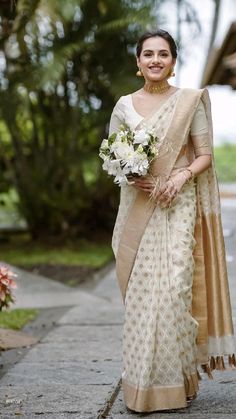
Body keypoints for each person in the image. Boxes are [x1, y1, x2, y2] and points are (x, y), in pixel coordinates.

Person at [108, 29, 236, 413]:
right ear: (138, 63)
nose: (155, 60)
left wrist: (179, 177)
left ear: (174, 61)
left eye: (163, 54)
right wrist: (133, 175)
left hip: (178, 205)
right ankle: (144, 388)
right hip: (139, 208)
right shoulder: (124, 107)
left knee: (173, 293)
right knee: (144, 297)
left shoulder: (188, 102)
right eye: (148, 54)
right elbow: (114, 159)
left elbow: (204, 155)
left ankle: (179, 381)